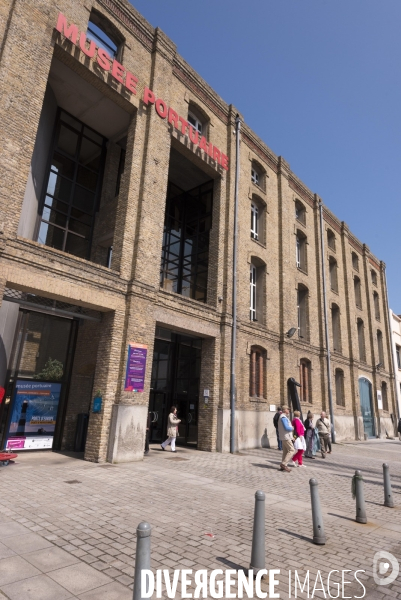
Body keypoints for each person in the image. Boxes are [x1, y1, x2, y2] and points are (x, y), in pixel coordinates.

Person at [277, 405, 295, 472]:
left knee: (285, 451)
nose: (289, 410)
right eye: (288, 409)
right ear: (285, 410)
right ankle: (284, 464)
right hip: (286, 436)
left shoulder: (282, 417)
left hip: (284, 436)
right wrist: (292, 428)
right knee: (292, 450)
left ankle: (283, 466)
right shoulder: (283, 417)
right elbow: (286, 428)